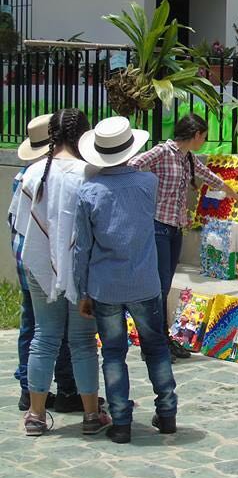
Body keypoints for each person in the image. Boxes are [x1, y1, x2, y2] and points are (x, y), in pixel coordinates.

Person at [75, 117, 178, 444]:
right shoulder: (147, 183)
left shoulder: (89, 190)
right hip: (145, 281)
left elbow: (82, 247)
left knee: (114, 353)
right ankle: (167, 412)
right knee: (156, 347)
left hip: (106, 285)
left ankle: (121, 422)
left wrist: (82, 290)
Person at [13, 109, 109, 437]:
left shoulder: (33, 173)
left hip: (39, 266)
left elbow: (20, 224)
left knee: (44, 337)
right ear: (84, 135)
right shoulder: (92, 172)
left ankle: (36, 416)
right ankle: (91, 416)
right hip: (83, 271)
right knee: (83, 342)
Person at [130, 113, 238, 357]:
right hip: (157, 225)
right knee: (157, 286)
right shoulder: (162, 152)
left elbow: (206, 174)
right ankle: (155, 343)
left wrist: (229, 190)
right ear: (196, 135)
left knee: (165, 285)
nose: (204, 141)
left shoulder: (187, 158)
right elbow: (132, 165)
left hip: (175, 228)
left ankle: (161, 338)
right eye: (203, 136)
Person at [9, 114, 81, 413]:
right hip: (52, 262)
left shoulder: (25, 176)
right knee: (59, 333)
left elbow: (18, 222)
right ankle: (66, 388)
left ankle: (29, 390)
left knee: (33, 327)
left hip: (27, 260)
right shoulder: (63, 174)